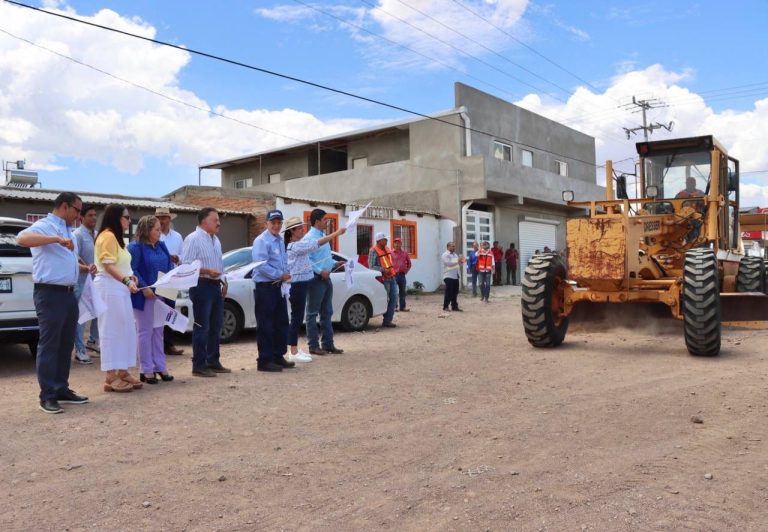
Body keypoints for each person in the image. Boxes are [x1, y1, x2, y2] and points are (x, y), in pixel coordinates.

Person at [17, 192, 89, 414]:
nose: (79, 215)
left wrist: (84, 267)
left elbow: (67, 259)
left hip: (68, 293)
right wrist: (55, 239)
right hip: (49, 293)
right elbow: (21, 239)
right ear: (65, 206)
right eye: (77, 210)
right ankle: (46, 395)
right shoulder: (45, 226)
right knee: (49, 344)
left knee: (65, 343)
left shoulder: (71, 232)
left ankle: (61, 388)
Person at [283, 216, 346, 363]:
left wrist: (334, 264)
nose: (301, 230)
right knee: (297, 318)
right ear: (292, 231)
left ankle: (295, 349)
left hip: (302, 283)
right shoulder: (295, 246)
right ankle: (293, 351)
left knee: (299, 317)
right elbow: (315, 244)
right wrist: (336, 233)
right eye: (298, 228)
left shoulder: (297, 244)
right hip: (297, 285)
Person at [94, 204, 142, 393]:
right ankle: (110, 375)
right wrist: (125, 280)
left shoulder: (117, 238)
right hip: (109, 287)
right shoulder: (107, 236)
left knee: (125, 329)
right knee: (111, 330)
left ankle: (123, 371)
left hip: (120, 288)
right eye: (126, 217)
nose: (129, 221)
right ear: (116, 217)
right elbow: (108, 266)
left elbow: (121, 265)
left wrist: (130, 277)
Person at [181, 207, 230, 377]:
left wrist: (224, 281)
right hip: (201, 285)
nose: (219, 223)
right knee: (202, 326)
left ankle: (213, 361)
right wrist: (207, 271)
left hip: (215, 285)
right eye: (215, 220)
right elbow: (186, 265)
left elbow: (219, 263)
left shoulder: (215, 240)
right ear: (204, 221)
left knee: (216, 326)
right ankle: (199, 365)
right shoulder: (192, 239)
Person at [128, 215, 175, 384]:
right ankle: (146, 369)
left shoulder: (161, 245)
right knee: (145, 331)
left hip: (161, 293)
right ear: (147, 230)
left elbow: (169, 265)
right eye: (156, 229)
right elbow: (132, 269)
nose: (160, 231)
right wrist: (144, 286)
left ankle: (160, 367)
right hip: (144, 294)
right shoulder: (135, 247)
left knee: (158, 331)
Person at [252, 209, 293, 372]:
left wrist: (285, 274)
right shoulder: (261, 241)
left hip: (279, 287)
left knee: (281, 322)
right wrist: (280, 274)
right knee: (266, 325)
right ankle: (264, 360)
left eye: (278, 222)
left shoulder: (279, 240)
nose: (276, 225)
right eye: (273, 222)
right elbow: (260, 264)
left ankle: (278, 355)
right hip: (265, 287)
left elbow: (282, 262)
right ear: (266, 223)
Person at [304, 209, 345, 355]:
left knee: (327, 312)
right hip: (316, 279)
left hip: (327, 278)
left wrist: (335, 263)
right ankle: (313, 346)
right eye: (324, 219)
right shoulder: (309, 238)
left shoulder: (323, 237)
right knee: (312, 313)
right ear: (317, 221)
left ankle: (328, 344)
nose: (327, 222)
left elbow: (324, 258)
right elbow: (307, 260)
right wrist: (320, 271)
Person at [155, 207, 185, 357]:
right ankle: (158, 345)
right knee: (156, 311)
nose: (162, 221)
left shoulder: (177, 237)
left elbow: (183, 256)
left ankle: (169, 344)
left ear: (169, 219)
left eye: (164, 217)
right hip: (157, 277)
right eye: (159, 218)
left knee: (169, 311)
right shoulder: (153, 235)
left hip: (171, 277)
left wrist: (177, 258)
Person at [72, 204, 99, 365]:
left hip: (96, 282)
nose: (94, 218)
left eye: (95, 215)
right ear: (81, 217)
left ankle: (93, 341)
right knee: (81, 317)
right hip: (81, 282)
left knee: (97, 312)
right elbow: (73, 259)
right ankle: (80, 350)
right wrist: (86, 268)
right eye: (90, 215)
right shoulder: (77, 235)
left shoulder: (97, 235)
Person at [369, 232, 398, 327]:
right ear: (379, 240)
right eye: (384, 239)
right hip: (383, 279)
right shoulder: (373, 251)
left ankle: (387, 321)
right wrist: (383, 270)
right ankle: (385, 319)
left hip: (392, 277)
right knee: (385, 299)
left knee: (394, 299)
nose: (387, 240)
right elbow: (371, 266)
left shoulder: (387, 249)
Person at [441, 241, 465, 311]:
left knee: (455, 292)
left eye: (454, 246)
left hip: (455, 276)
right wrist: (458, 260)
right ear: (448, 247)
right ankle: (445, 306)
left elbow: (457, 264)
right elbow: (449, 263)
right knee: (449, 292)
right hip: (448, 276)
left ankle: (454, 306)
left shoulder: (455, 254)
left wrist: (462, 261)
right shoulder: (445, 255)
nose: (454, 247)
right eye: (453, 246)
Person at [391, 236, 412, 312]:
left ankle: (402, 307)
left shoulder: (405, 253)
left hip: (402, 275)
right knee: (394, 292)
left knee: (402, 292)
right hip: (394, 275)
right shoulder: (391, 253)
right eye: (395, 243)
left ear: (401, 244)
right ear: (393, 244)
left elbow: (409, 263)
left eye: (398, 243)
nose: (397, 244)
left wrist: (406, 270)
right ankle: (395, 307)